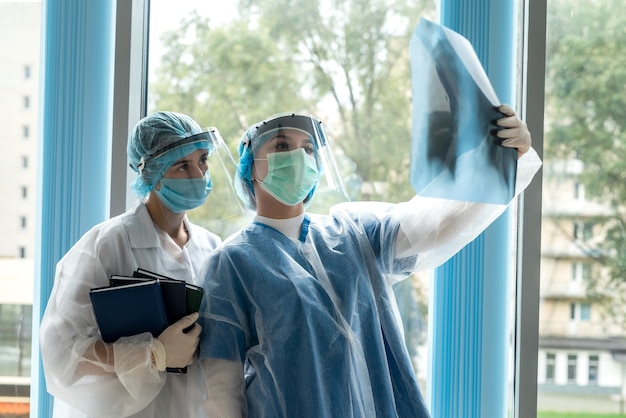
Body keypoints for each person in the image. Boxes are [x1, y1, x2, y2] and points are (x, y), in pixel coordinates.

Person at [196, 109, 541, 417]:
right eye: (283, 146)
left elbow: (436, 222)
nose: (299, 157)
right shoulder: (231, 263)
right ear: (250, 167)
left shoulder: (354, 232)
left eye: (309, 148)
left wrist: (501, 160)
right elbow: (222, 393)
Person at [40, 111, 229, 417]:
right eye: (183, 165)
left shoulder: (212, 247)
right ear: (151, 172)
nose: (198, 175)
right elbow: (61, 354)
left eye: (203, 160)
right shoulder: (107, 245)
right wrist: (153, 354)